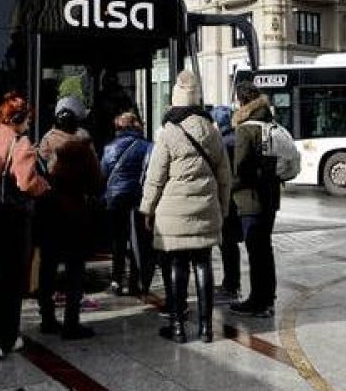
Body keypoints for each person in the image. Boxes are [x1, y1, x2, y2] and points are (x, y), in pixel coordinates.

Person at [140, 70, 232, 343]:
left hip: (172, 211)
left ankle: (178, 328)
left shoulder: (168, 133)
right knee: (203, 263)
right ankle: (206, 329)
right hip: (206, 207)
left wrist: (147, 208)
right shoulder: (212, 131)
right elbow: (225, 176)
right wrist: (223, 208)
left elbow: (155, 177)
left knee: (177, 265)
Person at [0, 93, 50, 358]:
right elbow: (27, 182)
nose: (29, 124)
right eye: (27, 119)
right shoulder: (20, 142)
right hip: (13, 219)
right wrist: (44, 185)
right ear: (20, 119)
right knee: (13, 278)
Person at [35, 95, 103, 340]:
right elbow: (96, 181)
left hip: (49, 213)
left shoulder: (45, 143)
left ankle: (47, 318)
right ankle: (71, 323)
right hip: (76, 214)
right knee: (75, 270)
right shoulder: (85, 145)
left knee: (48, 268)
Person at [229, 81, 280, 317]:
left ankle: (257, 301)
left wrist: (227, 187)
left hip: (250, 200)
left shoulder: (245, 129)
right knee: (265, 250)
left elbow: (240, 169)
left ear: (241, 102)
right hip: (271, 197)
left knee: (255, 250)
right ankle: (268, 297)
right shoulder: (270, 122)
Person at [100, 112, 153, 296]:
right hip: (137, 198)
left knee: (118, 241)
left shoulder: (109, 148)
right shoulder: (147, 146)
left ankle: (116, 279)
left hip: (115, 198)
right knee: (138, 241)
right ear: (134, 126)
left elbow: (103, 173)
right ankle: (136, 281)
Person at [210, 104, 242, 302]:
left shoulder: (222, 143)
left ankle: (230, 284)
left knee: (227, 244)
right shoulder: (237, 138)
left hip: (227, 200)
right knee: (231, 245)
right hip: (237, 199)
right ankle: (232, 282)